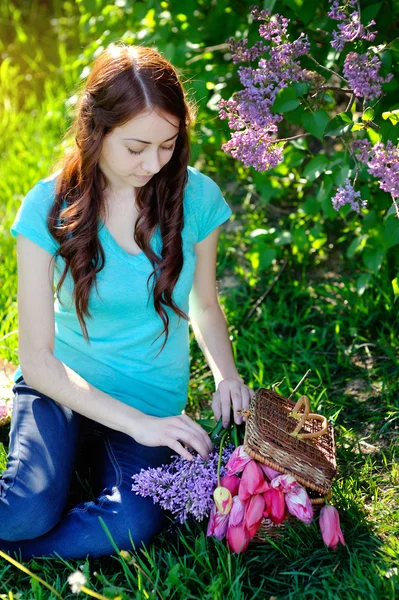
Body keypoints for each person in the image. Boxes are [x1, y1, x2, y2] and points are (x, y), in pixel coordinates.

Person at [0, 43, 254, 561]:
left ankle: (21, 551)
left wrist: (227, 375)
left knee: (135, 519)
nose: (154, 163)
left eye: (168, 145)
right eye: (136, 146)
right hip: (62, 388)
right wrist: (141, 427)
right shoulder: (48, 205)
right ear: (96, 130)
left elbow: (205, 304)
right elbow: (39, 361)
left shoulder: (196, 197)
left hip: (150, 397)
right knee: (25, 509)